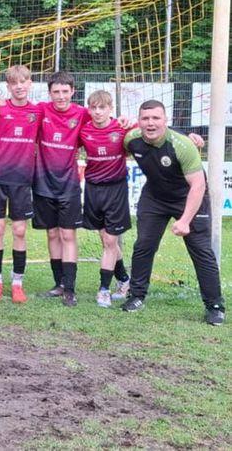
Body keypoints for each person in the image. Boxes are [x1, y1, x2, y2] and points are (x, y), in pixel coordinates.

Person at [122, 100, 224, 325]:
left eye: (156, 118)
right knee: (143, 245)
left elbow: (198, 185)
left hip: (189, 197)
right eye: (145, 118)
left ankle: (215, 306)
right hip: (155, 197)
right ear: (139, 121)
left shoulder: (183, 145)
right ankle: (136, 296)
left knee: (201, 250)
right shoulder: (131, 139)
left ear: (165, 120)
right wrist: (120, 124)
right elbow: (117, 143)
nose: (150, 123)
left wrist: (185, 220)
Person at [0, 65, 41, 304]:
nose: (19, 86)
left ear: (30, 83)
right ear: (8, 86)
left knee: (19, 230)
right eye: (14, 83)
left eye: (23, 82)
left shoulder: (38, 111)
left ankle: (17, 283)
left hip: (22, 179)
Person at [32, 71, 89, 307]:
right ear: (49, 93)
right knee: (52, 234)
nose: (61, 96)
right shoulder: (41, 110)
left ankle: (70, 289)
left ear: (73, 92)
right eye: (56, 91)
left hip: (69, 184)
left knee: (68, 235)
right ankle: (59, 284)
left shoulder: (83, 114)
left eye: (65, 91)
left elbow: (107, 122)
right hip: (43, 183)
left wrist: (126, 122)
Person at [79, 90, 132, 308]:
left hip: (116, 189)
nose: (98, 112)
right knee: (106, 240)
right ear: (89, 109)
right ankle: (125, 280)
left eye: (102, 107)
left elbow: (153, 131)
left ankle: (103, 290)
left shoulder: (122, 128)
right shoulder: (84, 130)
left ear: (111, 109)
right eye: (94, 108)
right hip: (93, 189)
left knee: (110, 241)